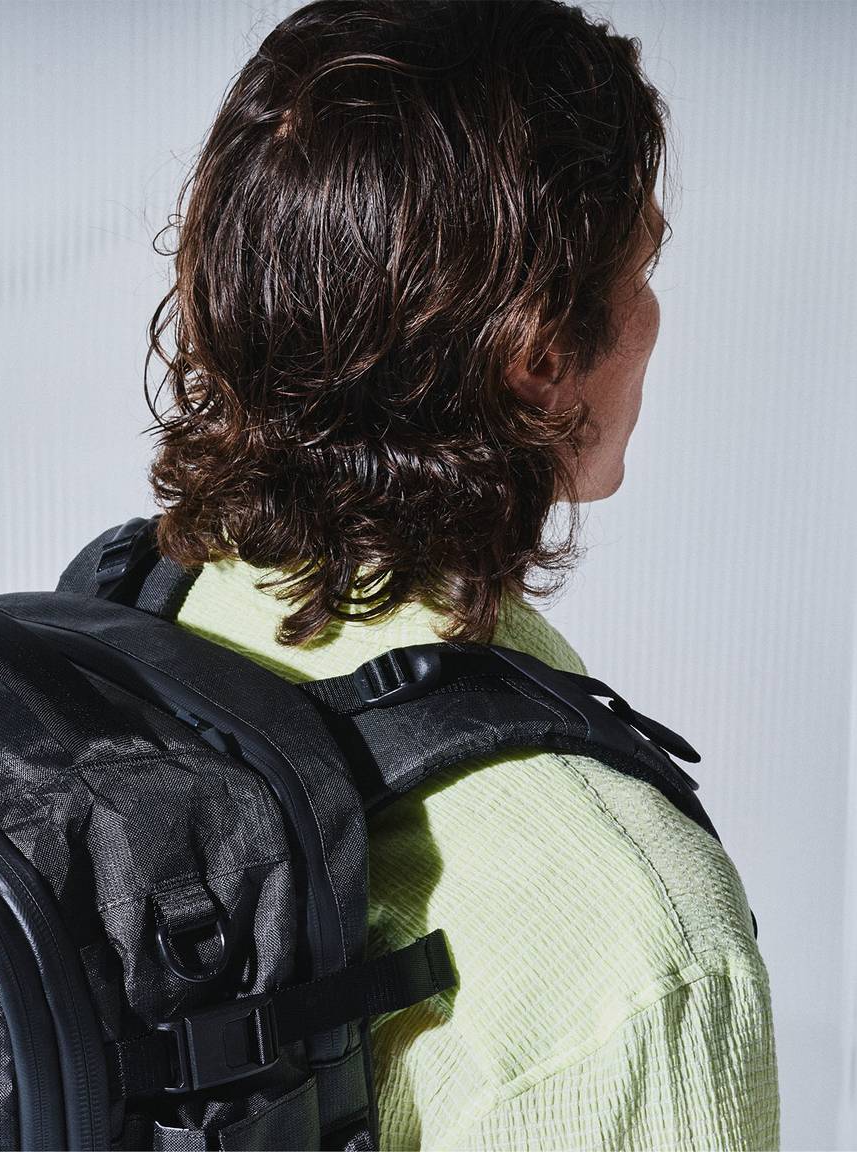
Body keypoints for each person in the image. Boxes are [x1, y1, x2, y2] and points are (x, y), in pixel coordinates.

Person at [142, 1, 778, 1146]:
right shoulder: (642, 953)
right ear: (538, 357)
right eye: (643, 264)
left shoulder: (149, 612)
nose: (654, 311)